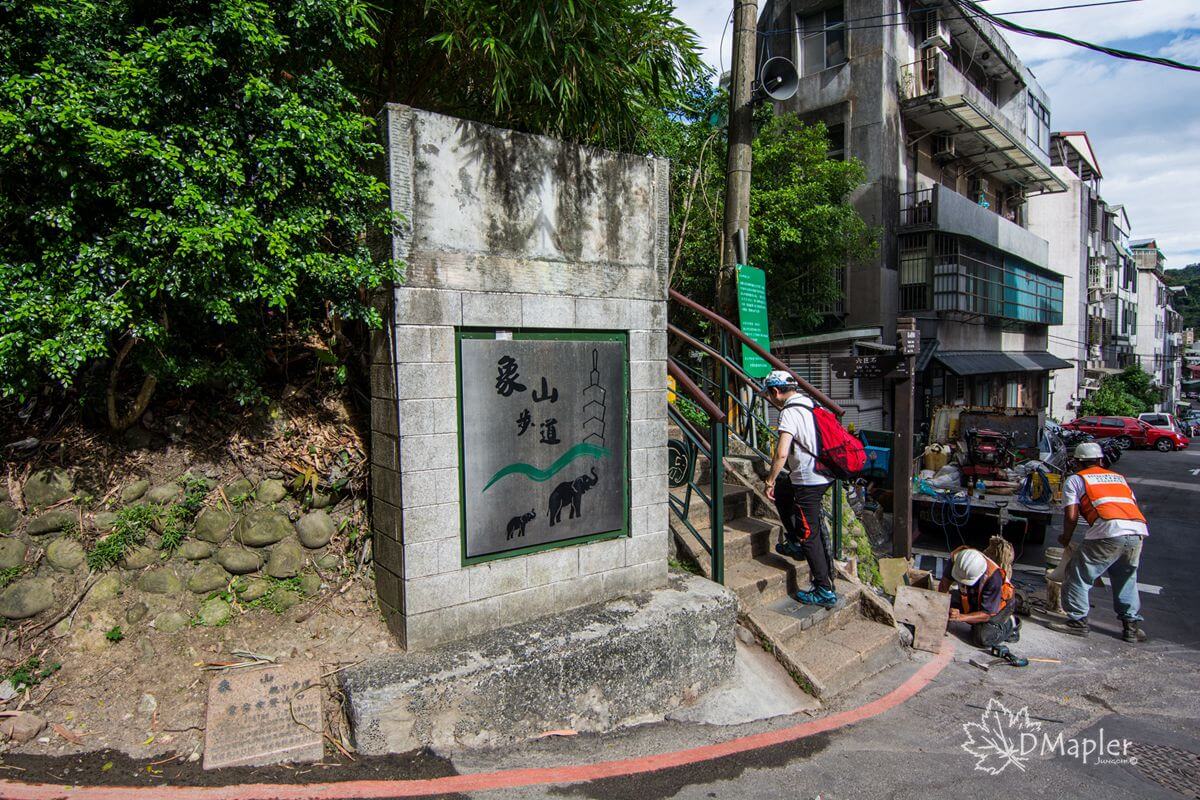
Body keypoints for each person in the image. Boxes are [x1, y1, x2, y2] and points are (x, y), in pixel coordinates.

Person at [1049, 442, 1148, 642]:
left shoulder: (1076, 480)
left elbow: (1071, 516)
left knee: (1077, 574)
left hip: (1109, 531)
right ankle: (1131, 627)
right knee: (1126, 578)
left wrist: (1066, 538)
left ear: (1077, 462)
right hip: (1137, 531)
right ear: (1101, 461)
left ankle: (1078, 622)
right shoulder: (1119, 478)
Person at [760, 370, 837, 608]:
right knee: (784, 492)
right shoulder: (810, 404)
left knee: (809, 534)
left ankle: (824, 589)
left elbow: (782, 453)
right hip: (824, 472)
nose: (769, 399)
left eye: (768, 395)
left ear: (775, 392)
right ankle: (794, 541)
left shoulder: (789, 413)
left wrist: (770, 480)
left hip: (808, 480)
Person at [938, 546, 1018, 648]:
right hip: (973, 595)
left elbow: (986, 614)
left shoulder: (994, 578)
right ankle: (974, 618)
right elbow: (944, 585)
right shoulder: (959, 560)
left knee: (982, 638)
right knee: (947, 603)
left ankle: (1010, 625)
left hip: (999, 606)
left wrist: (960, 617)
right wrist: (942, 606)